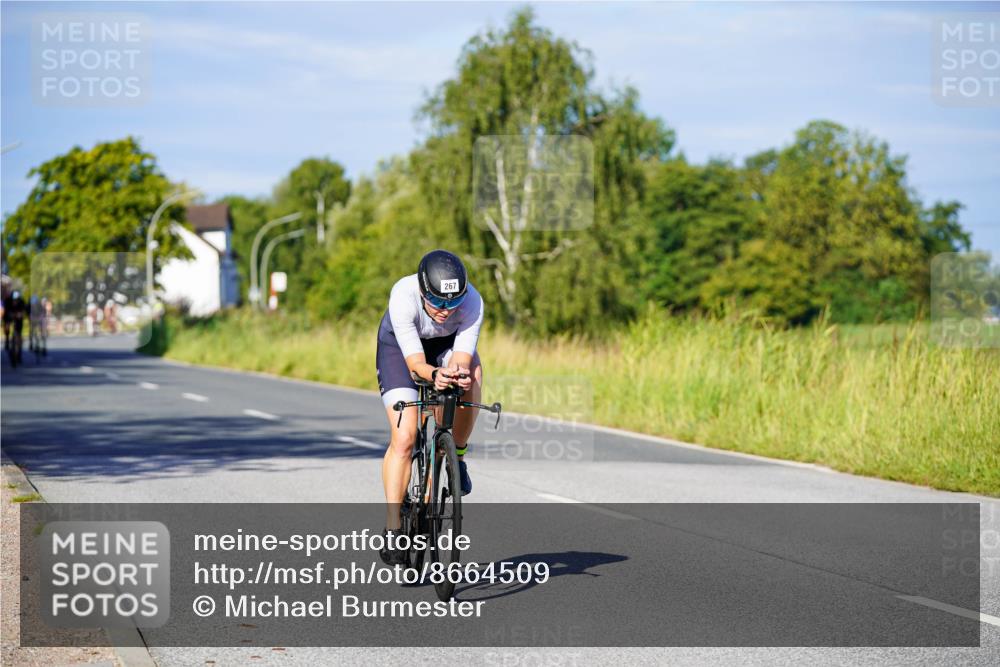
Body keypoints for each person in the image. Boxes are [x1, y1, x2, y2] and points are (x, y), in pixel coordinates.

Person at [375, 249, 484, 565]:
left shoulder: (473, 301)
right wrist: (435, 375)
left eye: (454, 302)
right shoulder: (402, 296)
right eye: (438, 302)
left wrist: (456, 375)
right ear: (423, 292)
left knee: (472, 372)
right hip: (401, 351)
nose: (446, 311)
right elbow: (415, 366)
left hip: (444, 349)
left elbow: (462, 357)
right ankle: (394, 526)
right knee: (405, 436)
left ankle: (456, 455)